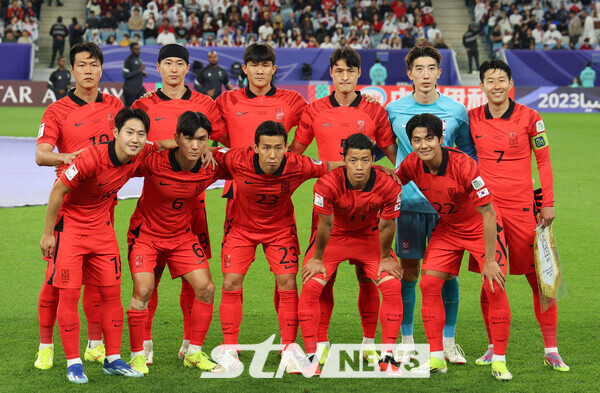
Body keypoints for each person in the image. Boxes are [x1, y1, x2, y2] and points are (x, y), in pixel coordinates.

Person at [39, 108, 174, 383]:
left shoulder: (142, 150)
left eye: (140, 134)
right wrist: (48, 234)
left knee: (111, 294)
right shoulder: (90, 158)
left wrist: (197, 145)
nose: (135, 139)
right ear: (115, 133)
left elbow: (163, 144)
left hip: (102, 230)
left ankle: (112, 358)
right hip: (72, 228)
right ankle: (74, 363)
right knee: (69, 295)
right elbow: (58, 191)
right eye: (129, 132)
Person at [290, 46, 397, 365]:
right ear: (332, 74)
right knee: (324, 278)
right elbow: (295, 154)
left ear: (358, 74)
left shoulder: (375, 110)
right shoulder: (314, 109)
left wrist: (405, 183)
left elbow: (393, 155)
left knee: (369, 278)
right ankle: (320, 343)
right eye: (339, 71)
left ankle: (368, 342)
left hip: (368, 210)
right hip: (328, 207)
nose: (345, 76)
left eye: (351, 71)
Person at [212, 120, 342, 372]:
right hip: (240, 229)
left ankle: (288, 349)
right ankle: (229, 350)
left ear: (286, 148)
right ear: (255, 148)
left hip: (280, 231)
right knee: (230, 282)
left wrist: (370, 169)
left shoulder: (298, 164)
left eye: (279, 148)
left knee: (287, 283)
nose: (272, 155)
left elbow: (331, 166)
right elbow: (206, 151)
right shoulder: (236, 159)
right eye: (266, 147)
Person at [470, 59, 569, 372]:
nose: (496, 85)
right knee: (490, 278)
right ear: (481, 86)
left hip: (524, 210)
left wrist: (548, 202)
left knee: (540, 280)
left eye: (501, 79)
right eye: (490, 80)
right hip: (485, 213)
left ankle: (551, 349)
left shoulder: (531, 117)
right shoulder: (471, 118)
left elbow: (544, 161)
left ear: (510, 83)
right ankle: (491, 347)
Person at [395, 113, 512, 380]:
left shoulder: (464, 165)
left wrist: (491, 260)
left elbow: (489, 213)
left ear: (440, 139)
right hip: (448, 229)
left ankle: (500, 361)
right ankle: (437, 357)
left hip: (480, 228)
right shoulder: (413, 163)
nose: (423, 145)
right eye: (416, 140)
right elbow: (392, 182)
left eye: (429, 139)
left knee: (494, 284)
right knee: (428, 284)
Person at [131, 43, 227, 364]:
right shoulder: (142, 105)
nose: (174, 69)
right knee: (149, 280)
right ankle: (144, 344)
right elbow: (128, 145)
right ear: (158, 68)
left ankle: (189, 343)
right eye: (168, 63)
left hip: (193, 205)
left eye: (179, 64)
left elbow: (225, 139)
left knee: (194, 279)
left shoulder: (205, 104)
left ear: (187, 69)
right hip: (153, 205)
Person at [34, 42, 124, 372]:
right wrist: (68, 157)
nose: (88, 70)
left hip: (104, 206)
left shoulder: (115, 105)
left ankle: (96, 345)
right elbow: (42, 154)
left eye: (94, 65)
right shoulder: (57, 111)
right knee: (55, 283)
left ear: (101, 70)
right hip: (69, 210)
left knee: (101, 283)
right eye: (82, 65)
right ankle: (46, 345)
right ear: (70, 70)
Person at [386, 45, 476, 365]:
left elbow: (468, 154)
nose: (425, 75)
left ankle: (448, 342)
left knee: (447, 275)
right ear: (409, 74)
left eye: (430, 69)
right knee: (409, 272)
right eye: (418, 69)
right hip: (409, 204)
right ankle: (408, 340)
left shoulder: (456, 111)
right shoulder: (393, 110)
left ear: (440, 72)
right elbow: (386, 147)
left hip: (447, 209)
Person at [298, 133, 404, 373]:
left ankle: (384, 353)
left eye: (365, 160)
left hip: (369, 238)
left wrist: (386, 257)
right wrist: (316, 259)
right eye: (353, 160)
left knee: (391, 285)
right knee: (313, 284)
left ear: (372, 159)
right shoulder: (326, 183)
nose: (359, 167)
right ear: (343, 159)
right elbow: (324, 225)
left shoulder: (389, 184)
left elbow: (388, 224)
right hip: (334, 237)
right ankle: (314, 352)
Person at [122, 42, 147, 107]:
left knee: (145, 104)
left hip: (139, 88)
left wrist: (142, 73)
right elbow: (125, 75)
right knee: (130, 109)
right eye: (136, 49)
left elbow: (135, 71)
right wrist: (139, 70)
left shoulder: (139, 59)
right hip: (130, 89)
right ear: (131, 50)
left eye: (138, 49)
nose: (138, 50)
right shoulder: (129, 60)